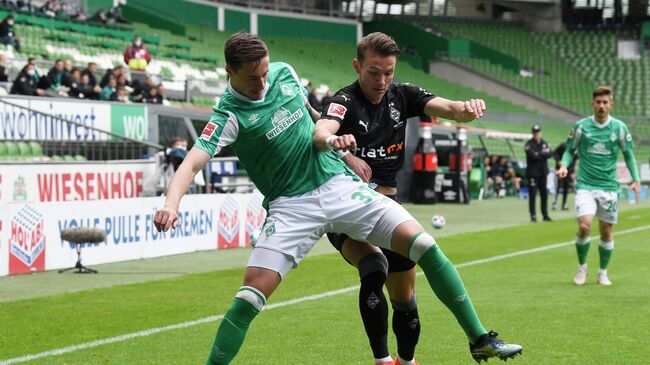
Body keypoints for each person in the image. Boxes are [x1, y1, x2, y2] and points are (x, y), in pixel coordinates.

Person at [153, 31, 522, 365]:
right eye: (253, 77)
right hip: (291, 206)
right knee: (249, 298)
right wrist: (171, 203)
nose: (262, 82)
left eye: (265, 72)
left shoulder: (284, 73)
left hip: (337, 184)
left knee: (424, 245)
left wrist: (343, 153)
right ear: (229, 71)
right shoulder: (229, 115)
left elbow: (314, 117)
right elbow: (191, 163)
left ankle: (478, 339)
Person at [318, 32, 504, 365]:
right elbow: (322, 132)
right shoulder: (344, 101)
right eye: (374, 72)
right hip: (346, 209)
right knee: (374, 267)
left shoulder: (402, 95)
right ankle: (382, 360)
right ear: (357, 66)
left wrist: (467, 110)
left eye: (388, 72)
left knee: (405, 299)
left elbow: (449, 108)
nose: (382, 80)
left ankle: (406, 360)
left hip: (389, 208)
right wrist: (341, 150)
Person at [558, 86, 640, 286]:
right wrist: (563, 165)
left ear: (611, 104)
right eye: (598, 102)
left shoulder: (619, 128)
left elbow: (628, 155)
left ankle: (602, 272)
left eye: (605, 102)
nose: (602, 106)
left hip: (609, 187)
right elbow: (569, 150)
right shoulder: (581, 126)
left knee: (606, 232)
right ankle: (582, 268)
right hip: (586, 185)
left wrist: (636, 179)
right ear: (592, 103)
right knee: (584, 226)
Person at [525, 125, 552, 222]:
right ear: (532, 133)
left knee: (544, 194)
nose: (536, 134)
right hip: (533, 173)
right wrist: (543, 153)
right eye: (535, 132)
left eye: (538, 132)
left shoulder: (544, 143)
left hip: (543, 173)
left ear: (540, 132)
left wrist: (539, 153)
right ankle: (533, 215)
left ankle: (545, 215)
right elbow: (533, 156)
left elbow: (550, 153)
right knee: (532, 195)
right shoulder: (528, 144)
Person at [552, 143, 576, 211]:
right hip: (559, 169)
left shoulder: (576, 150)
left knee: (566, 187)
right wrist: (558, 161)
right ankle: (554, 202)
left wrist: (572, 172)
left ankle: (564, 204)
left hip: (568, 171)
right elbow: (554, 153)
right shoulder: (563, 146)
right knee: (557, 186)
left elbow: (573, 162)